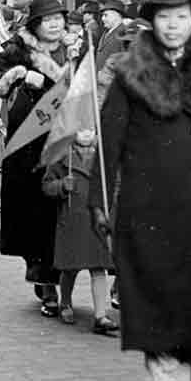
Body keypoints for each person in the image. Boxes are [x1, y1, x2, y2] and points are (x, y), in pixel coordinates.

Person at [90, 0, 191, 381]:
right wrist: (99, 202)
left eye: (181, 17)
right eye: (165, 17)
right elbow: (110, 141)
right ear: (151, 23)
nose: (173, 26)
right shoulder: (129, 77)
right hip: (148, 214)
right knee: (159, 317)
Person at [0, 0, 72, 317]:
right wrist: (18, 74)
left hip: (68, 138)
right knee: (37, 211)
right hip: (31, 140)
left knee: (65, 210)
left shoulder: (76, 48)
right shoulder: (17, 49)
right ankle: (45, 281)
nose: (55, 24)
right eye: (48, 20)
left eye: (59, 18)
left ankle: (62, 278)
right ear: (35, 23)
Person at [42, 129, 118, 335]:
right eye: (82, 129)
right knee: (70, 267)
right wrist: (61, 186)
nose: (86, 134)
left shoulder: (104, 156)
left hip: (97, 219)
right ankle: (65, 302)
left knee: (98, 267)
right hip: (72, 219)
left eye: (91, 129)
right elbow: (46, 185)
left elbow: (117, 181)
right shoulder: (61, 155)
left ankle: (100, 315)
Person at [94, 0, 127, 71]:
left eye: (106, 15)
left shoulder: (124, 33)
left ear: (116, 15)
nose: (103, 19)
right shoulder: (105, 32)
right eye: (103, 16)